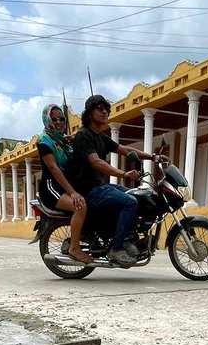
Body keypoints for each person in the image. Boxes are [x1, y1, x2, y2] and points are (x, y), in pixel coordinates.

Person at [67, 95, 161, 266]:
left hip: (100, 186)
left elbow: (124, 150)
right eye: (100, 109)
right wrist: (124, 174)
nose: (105, 112)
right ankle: (116, 248)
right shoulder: (84, 135)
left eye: (107, 109)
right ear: (89, 113)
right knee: (130, 202)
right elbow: (96, 162)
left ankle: (126, 237)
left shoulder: (100, 137)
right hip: (89, 190)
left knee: (139, 196)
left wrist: (153, 157)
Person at [36, 104, 92, 264]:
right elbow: (54, 169)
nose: (59, 122)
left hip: (66, 187)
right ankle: (74, 248)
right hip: (52, 189)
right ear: (47, 120)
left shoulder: (62, 140)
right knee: (80, 206)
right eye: (54, 119)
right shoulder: (44, 141)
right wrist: (73, 193)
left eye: (61, 118)